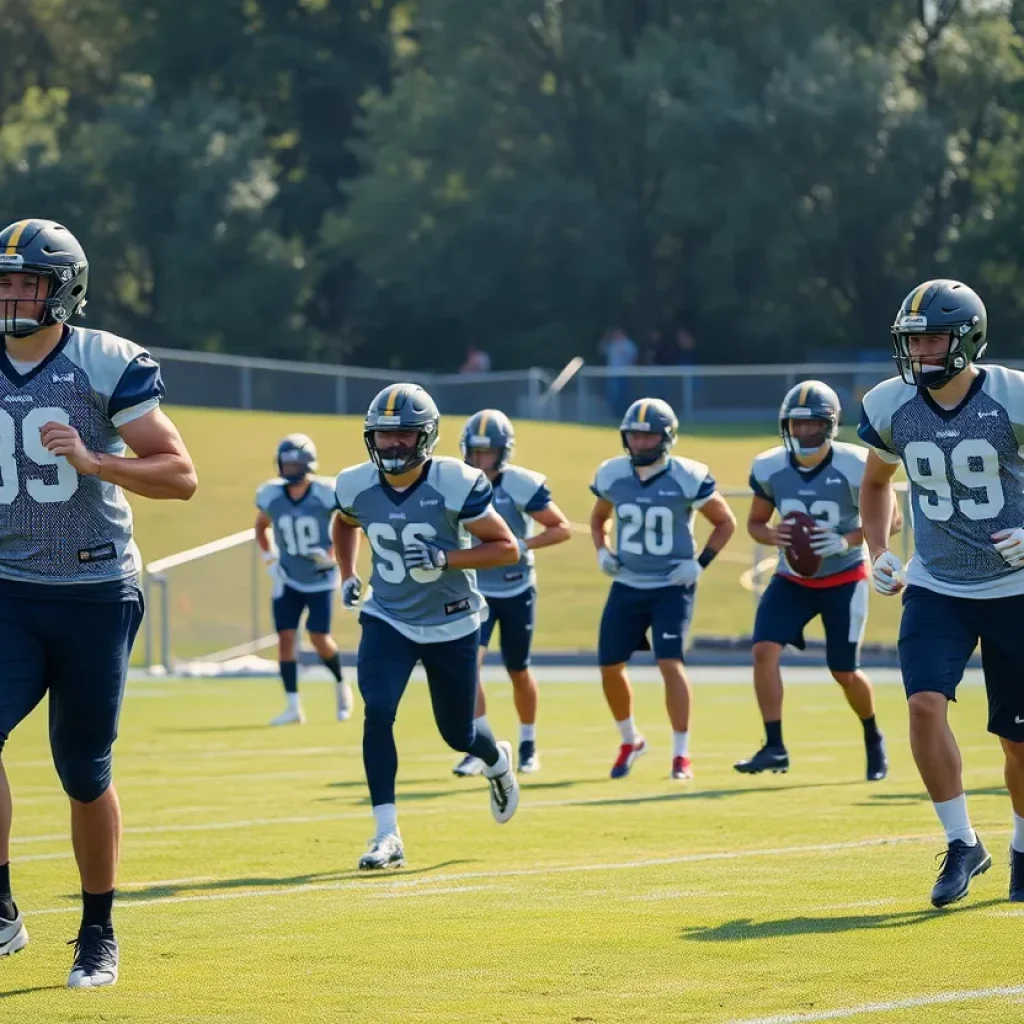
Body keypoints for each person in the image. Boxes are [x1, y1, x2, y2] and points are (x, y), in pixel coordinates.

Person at [0, 219, 197, 986]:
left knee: (83, 770)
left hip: (92, 590)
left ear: (64, 290)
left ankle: (97, 929)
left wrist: (91, 458)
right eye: (4, 282)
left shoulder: (103, 362)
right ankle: (5, 908)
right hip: (8, 588)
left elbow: (178, 474)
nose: (12, 294)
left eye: (27, 283)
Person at [858, 278, 1024, 907]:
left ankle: (1023, 848)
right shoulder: (889, 404)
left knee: (1018, 742)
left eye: (931, 339)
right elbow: (876, 485)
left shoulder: (1011, 397)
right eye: (912, 340)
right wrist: (877, 551)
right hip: (937, 582)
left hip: (1016, 586)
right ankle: (962, 843)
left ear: (967, 340)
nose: (919, 352)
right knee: (925, 705)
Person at [333, 383, 521, 870]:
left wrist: (447, 557)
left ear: (427, 436)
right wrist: (348, 573)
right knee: (378, 709)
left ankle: (496, 761)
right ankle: (386, 834)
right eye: (385, 435)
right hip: (389, 616)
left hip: (451, 621)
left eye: (405, 435)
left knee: (458, 735)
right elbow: (344, 522)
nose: (393, 444)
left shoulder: (457, 481)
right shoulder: (355, 483)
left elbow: (506, 547)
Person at [736, 380, 897, 781]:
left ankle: (872, 736)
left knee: (844, 670)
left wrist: (844, 539)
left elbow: (891, 521)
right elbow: (755, 524)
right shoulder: (769, 465)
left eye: (812, 425)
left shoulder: (856, 463)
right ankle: (774, 746)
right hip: (791, 578)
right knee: (763, 651)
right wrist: (774, 536)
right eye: (796, 425)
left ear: (829, 425)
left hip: (844, 576)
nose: (804, 433)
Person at [589, 397, 736, 779]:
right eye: (634, 436)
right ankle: (630, 739)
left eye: (648, 436)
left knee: (669, 661)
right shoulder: (612, 474)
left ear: (666, 438)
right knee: (609, 666)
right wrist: (603, 551)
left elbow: (725, 522)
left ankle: (681, 754)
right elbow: (598, 519)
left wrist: (699, 563)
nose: (639, 443)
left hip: (672, 584)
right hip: (627, 583)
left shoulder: (687, 475)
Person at [451, 409, 572, 777]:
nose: (478, 460)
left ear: (503, 452)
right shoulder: (456, 482)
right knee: (468, 667)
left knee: (518, 670)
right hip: (475, 591)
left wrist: (522, 544)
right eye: (474, 452)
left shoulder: (521, 483)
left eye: (486, 453)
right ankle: (481, 745)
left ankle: (528, 743)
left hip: (516, 588)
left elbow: (561, 528)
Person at [255, 434, 353, 725]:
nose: (286, 468)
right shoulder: (271, 495)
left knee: (318, 636)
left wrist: (332, 554)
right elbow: (261, 528)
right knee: (286, 638)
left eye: (292, 463)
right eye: (283, 462)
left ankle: (340, 683)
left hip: (321, 577)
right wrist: (269, 558)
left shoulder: (325, 492)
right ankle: (293, 707)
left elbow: (349, 525)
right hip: (287, 577)